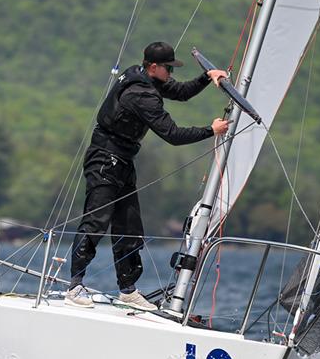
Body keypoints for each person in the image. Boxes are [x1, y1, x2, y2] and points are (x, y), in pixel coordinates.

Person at [66, 41, 230, 310]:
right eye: (168, 68)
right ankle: (74, 286)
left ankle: (127, 290)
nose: (171, 73)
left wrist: (206, 76)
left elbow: (181, 92)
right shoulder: (140, 94)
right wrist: (210, 131)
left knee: (130, 227)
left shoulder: (146, 76)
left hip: (122, 160)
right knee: (96, 222)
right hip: (104, 159)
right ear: (153, 67)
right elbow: (173, 135)